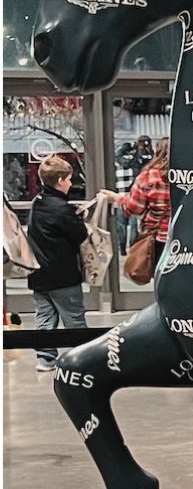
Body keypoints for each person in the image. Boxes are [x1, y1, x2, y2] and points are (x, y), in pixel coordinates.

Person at [27, 156, 88, 373]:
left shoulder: (38, 202)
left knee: (44, 318)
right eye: (69, 179)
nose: (71, 183)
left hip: (38, 273)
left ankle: (46, 360)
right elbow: (79, 235)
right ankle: (82, 359)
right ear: (60, 180)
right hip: (63, 275)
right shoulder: (61, 208)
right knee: (74, 319)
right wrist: (80, 218)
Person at [99, 137, 170, 266]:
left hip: (157, 237)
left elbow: (134, 208)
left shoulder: (148, 176)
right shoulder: (189, 177)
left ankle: (123, 248)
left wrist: (116, 197)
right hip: (185, 238)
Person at [113, 134, 153, 254]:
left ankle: (122, 249)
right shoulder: (141, 160)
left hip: (120, 196)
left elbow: (120, 158)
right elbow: (141, 163)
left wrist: (129, 148)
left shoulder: (119, 162)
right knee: (134, 225)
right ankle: (132, 247)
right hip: (134, 197)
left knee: (121, 225)